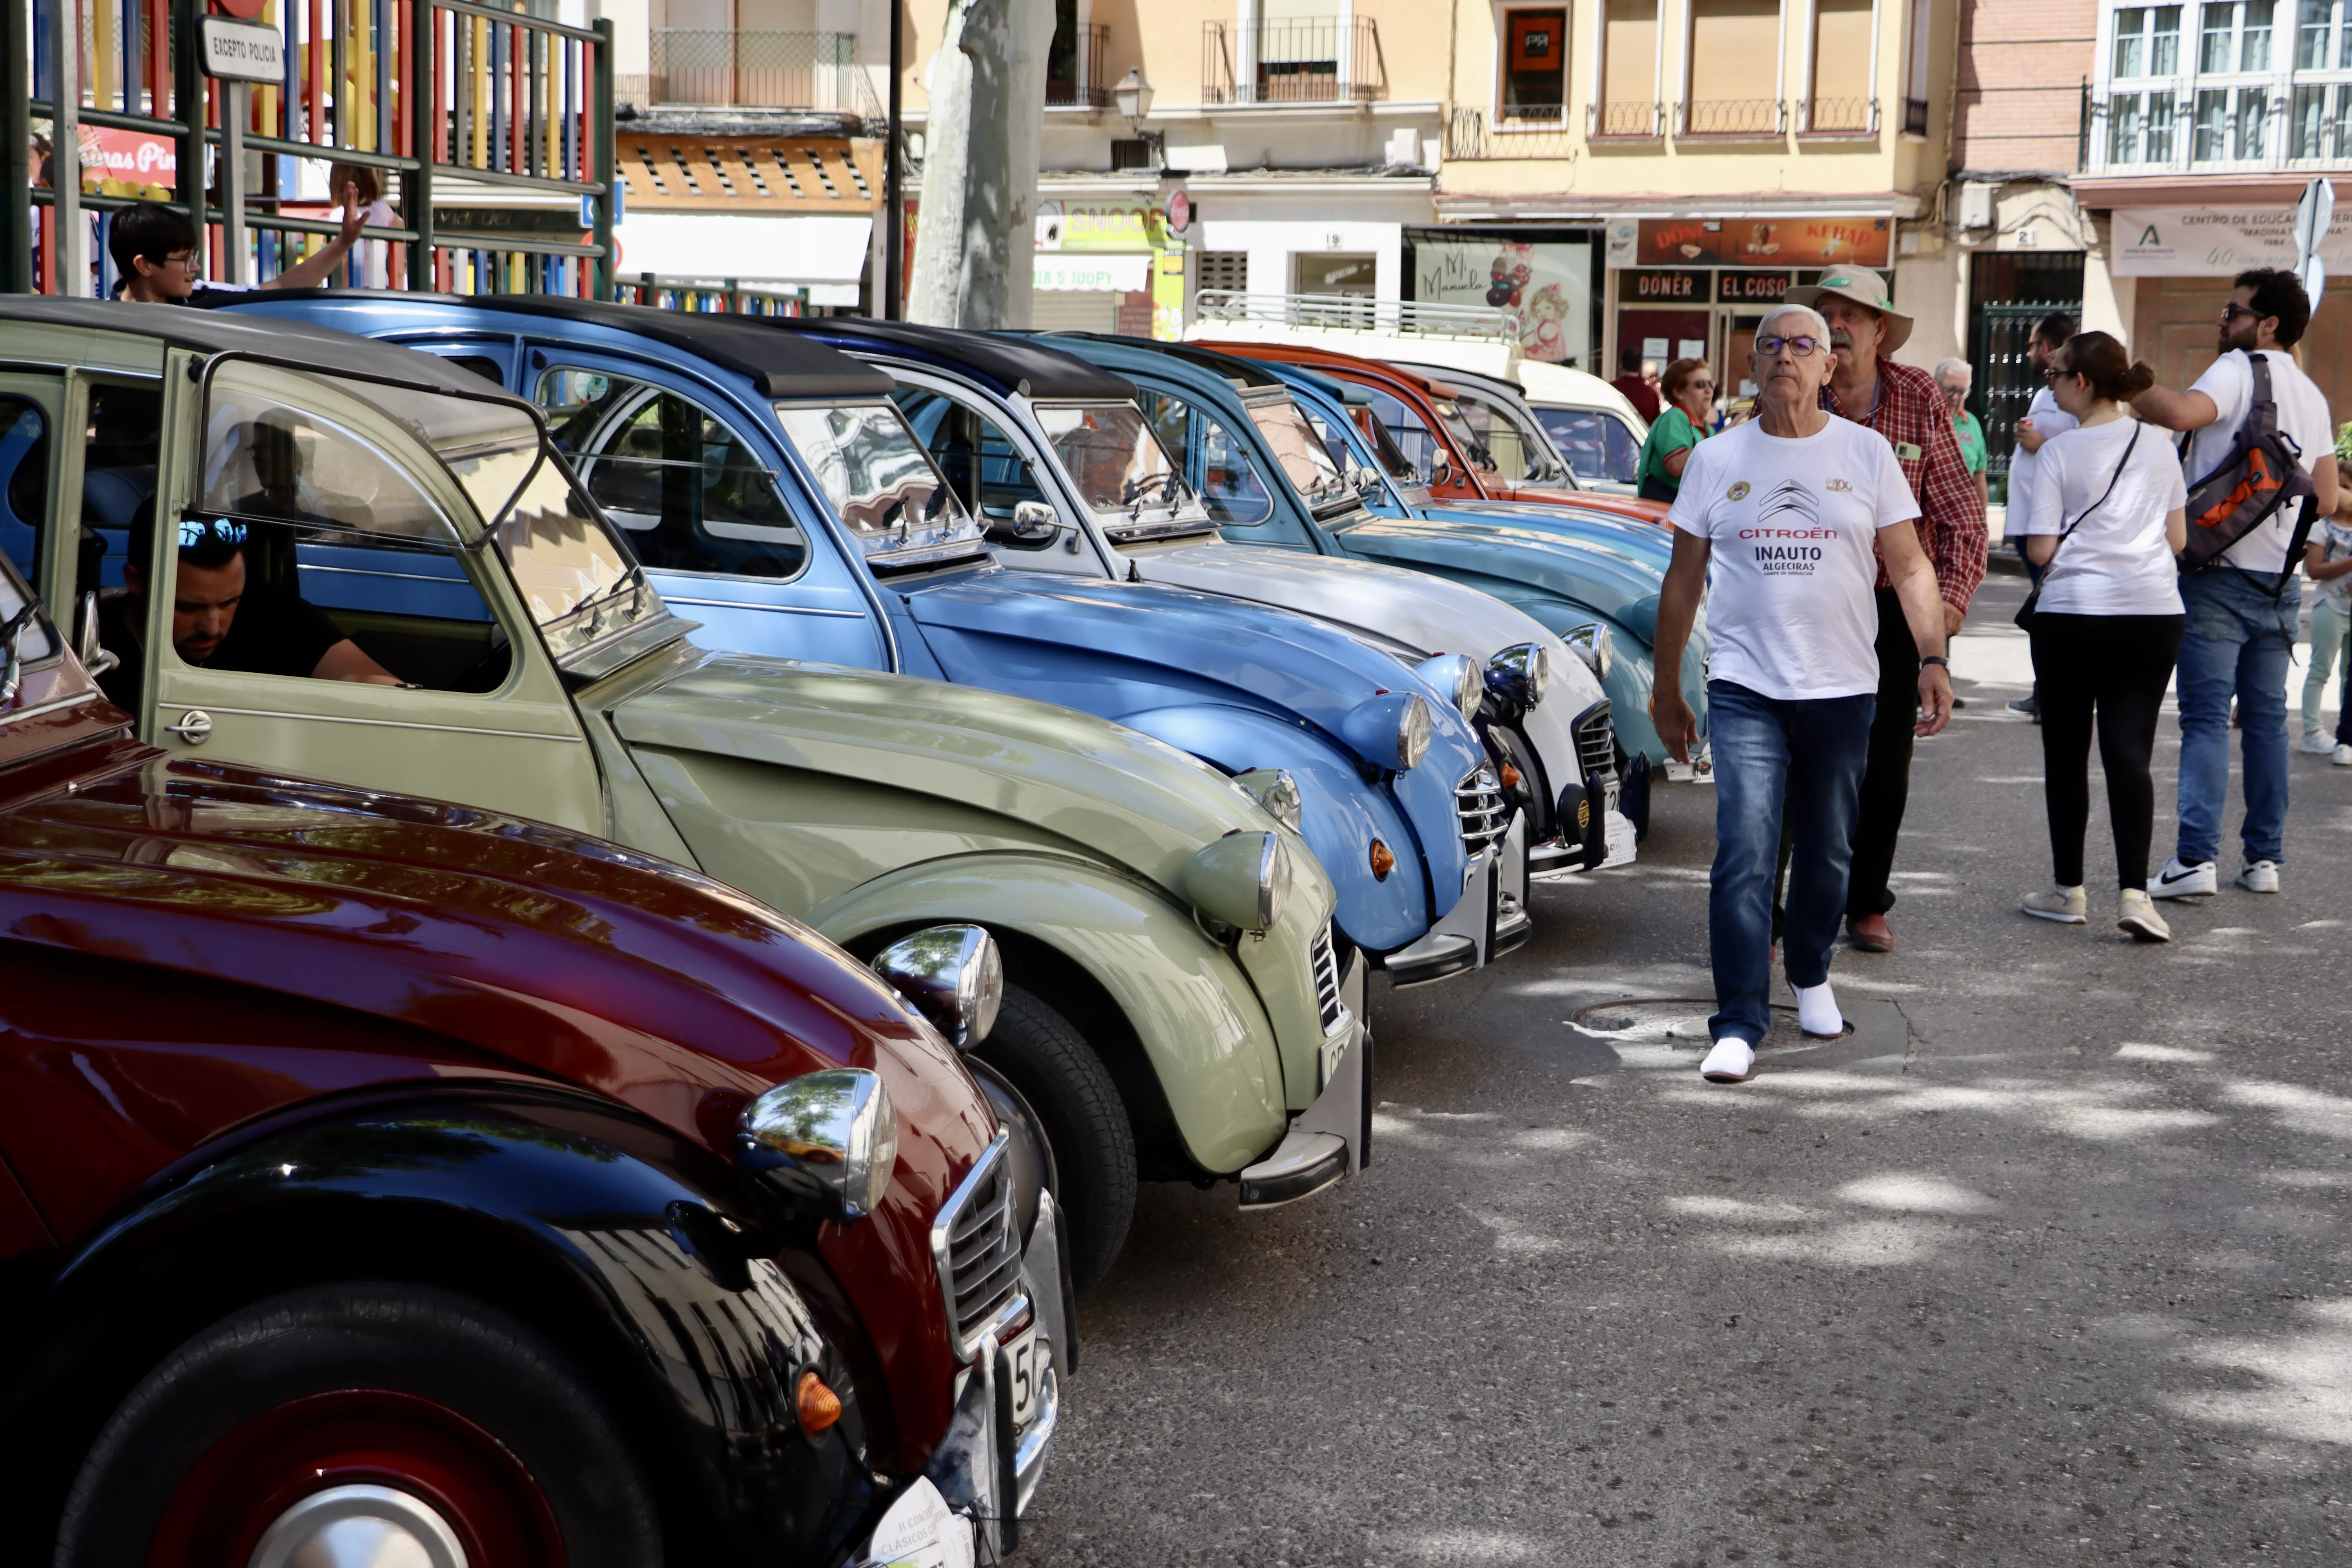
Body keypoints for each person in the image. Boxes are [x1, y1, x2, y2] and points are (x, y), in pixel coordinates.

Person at [1651, 303, 1953, 1085]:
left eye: (1805, 345)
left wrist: (1932, 655)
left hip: (1843, 686)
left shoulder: (1869, 451)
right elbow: (1683, 581)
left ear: (1831, 366)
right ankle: (1740, 1019)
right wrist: (1665, 688)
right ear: (1751, 367)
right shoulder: (1717, 459)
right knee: (1746, 852)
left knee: (1828, 849)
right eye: (1772, 345)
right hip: (1747, 686)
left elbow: (1913, 566)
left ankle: (1812, 972)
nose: (1787, 355)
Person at [1782, 266, 1988, 954]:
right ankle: (1775, 911)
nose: (1837, 325)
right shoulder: (1793, 389)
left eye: (1853, 314)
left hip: (1895, 607)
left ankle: (1866, 901)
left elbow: (1962, 514)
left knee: (1884, 763)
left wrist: (1948, 610)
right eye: (1828, 312)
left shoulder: (1918, 395)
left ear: (1879, 331)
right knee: (1794, 756)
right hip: (1811, 602)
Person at [2133, 268, 2340, 897]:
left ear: (2267, 324)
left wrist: (2127, 378)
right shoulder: (2312, 394)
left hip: (2217, 575)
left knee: (2202, 720)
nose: (2223, 320)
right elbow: (2327, 498)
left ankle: (2195, 860)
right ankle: (2263, 861)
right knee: (2266, 724)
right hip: (2278, 586)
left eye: (2233, 310)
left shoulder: (2239, 369)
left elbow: (2175, 411)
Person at [2009, 333, 2187, 942]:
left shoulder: (2059, 453)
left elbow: (2039, 548)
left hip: (2073, 614)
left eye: (2056, 375)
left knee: (2067, 753)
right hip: (2153, 613)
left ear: (2081, 383)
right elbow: (2179, 541)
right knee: (2130, 753)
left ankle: (2069, 891)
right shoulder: (2162, 447)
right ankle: (2137, 895)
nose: (2051, 384)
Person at [98, 509, 402, 714]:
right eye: (188, 607)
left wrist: (369, 691)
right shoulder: (91, 641)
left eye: (230, 602)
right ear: (136, 581)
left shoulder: (276, 618)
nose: (212, 626)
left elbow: (382, 690)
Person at [2006, 314, 2078, 719]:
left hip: (2050, 523)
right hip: (2027, 520)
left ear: (2049, 347)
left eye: (2034, 344)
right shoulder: (2043, 394)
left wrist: (2043, 441)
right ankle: (2045, 690)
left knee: (2050, 611)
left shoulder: (2073, 394)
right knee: (2044, 610)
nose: (2029, 351)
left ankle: (2054, 693)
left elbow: (2085, 446)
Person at [109, 194, 368, 305]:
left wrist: (343, 242)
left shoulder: (206, 298)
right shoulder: (103, 324)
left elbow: (280, 289)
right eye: (184, 260)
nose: (196, 268)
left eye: (194, 257)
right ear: (144, 266)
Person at [2299, 485, 2352, 754]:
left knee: (2349, 675)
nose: (2345, 493)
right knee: (2320, 671)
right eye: (2341, 486)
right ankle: (2312, 731)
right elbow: (2315, 570)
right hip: (2329, 607)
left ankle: (2347, 737)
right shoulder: (2321, 528)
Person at [1634, 358, 1713, 503]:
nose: (1709, 390)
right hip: (1665, 510)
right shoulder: (1675, 417)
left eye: (1711, 384)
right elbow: (1675, 465)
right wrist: (1719, 441)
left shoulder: (1706, 428)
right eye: (1701, 385)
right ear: (1679, 393)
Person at [1936, 358, 1989, 505]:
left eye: (1961, 392)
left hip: (1962, 515)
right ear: (1935, 385)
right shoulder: (1922, 420)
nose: (1955, 397)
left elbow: (1979, 477)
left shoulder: (1972, 424)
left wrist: (1981, 521)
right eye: (1949, 390)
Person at [1613, 348, 1664, 421]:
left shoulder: (1612, 389)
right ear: (1640, 368)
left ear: (1621, 366)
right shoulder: (1651, 394)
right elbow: (1656, 424)